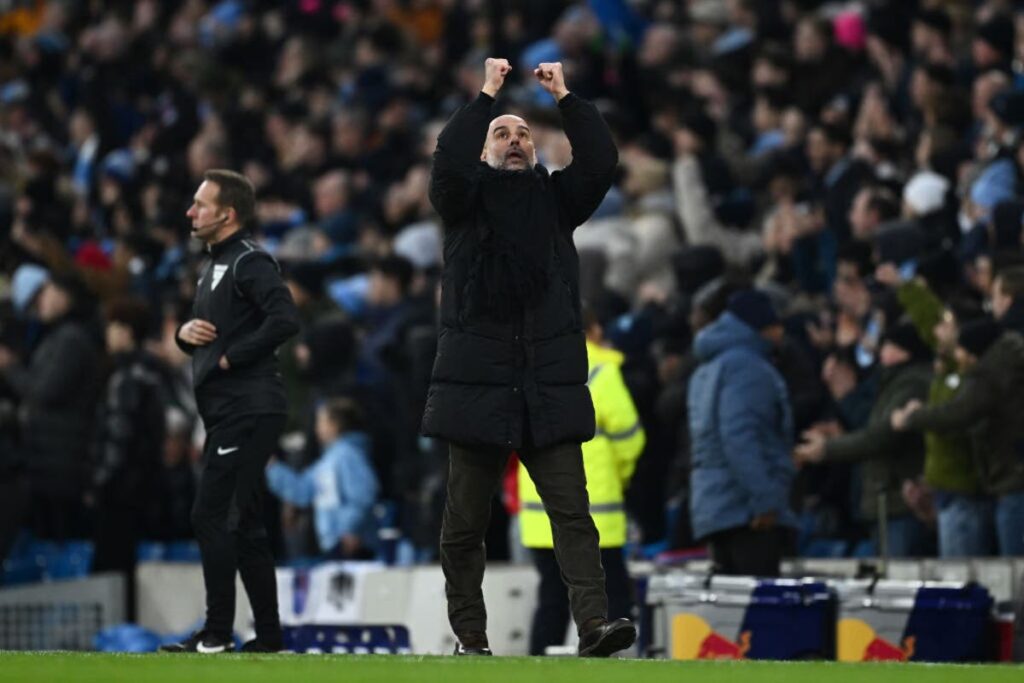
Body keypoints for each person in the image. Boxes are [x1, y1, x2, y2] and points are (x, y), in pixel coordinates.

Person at [421, 58, 633, 657]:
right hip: (480, 388)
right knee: (463, 527)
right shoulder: (462, 206)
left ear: (537, 152)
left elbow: (600, 162)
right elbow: (446, 164)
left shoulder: (558, 203)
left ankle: (594, 627)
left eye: (523, 135)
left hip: (546, 384)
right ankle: (471, 638)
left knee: (574, 516)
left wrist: (566, 97)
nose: (515, 141)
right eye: (502, 133)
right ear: (485, 150)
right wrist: (486, 94)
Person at [160, 170, 300, 654]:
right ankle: (269, 636)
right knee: (243, 522)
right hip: (230, 411)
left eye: (200, 204)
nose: (190, 212)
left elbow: (285, 317)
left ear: (228, 214)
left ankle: (217, 632)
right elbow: (213, 330)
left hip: (249, 407)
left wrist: (231, 357)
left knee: (211, 514)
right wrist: (184, 336)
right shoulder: (217, 264)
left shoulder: (248, 260)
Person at [518, 308, 645, 655]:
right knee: (609, 601)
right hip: (595, 513)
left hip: (538, 513)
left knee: (551, 603)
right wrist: (620, 477)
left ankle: (537, 671)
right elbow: (629, 438)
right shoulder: (602, 371)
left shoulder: (527, 370)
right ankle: (615, 669)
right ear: (593, 329)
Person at [796, 321, 935, 557]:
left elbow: (880, 436)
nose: (882, 352)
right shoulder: (889, 383)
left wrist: (828, 448)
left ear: (905, 350)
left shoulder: (912, 383)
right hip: (886, 499)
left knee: (900, 581)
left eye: (889, 345)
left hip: (900, 499)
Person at [687, 289, 797, 577]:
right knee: (758, 614)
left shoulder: (709, 366)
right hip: (746, 510)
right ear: (763, 325)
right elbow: (740, 438)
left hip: (717, 505)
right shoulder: (747, 367)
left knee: (731, 615)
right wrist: (765, 499)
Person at [892, 318, 1024, 556]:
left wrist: (913, 417)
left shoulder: (990, 373)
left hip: (1006, 482)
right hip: (1000, 481)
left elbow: (959, 413)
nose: (958, 355)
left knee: (1009, 575)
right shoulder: (1002, 364)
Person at [0, 266, 101, 541]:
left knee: (60, 540)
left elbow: (44, 391)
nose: (38, 306)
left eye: (41, 295)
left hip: (63, 464)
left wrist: (10, 367)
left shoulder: (72, 339)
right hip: (48, 461)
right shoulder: (57, 336)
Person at [91, 297, 168, 621]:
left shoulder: (125, 377)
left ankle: (114, 634)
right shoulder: (153, 373)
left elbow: (119, 437)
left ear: (126, 332)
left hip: (121, 492)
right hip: (147, 487)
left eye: (112, 328)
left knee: (111, 568)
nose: (108, 336)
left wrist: (100, 481)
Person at [266, 398, 380, 559]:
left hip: (351, 543)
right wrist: (273, 468)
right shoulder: (329, 460)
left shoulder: (347, 455)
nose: (317, 428)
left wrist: (350, 529)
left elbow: (363, 494)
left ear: (334, 425)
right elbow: (302, 491)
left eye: (321, 422)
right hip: (335, 543)